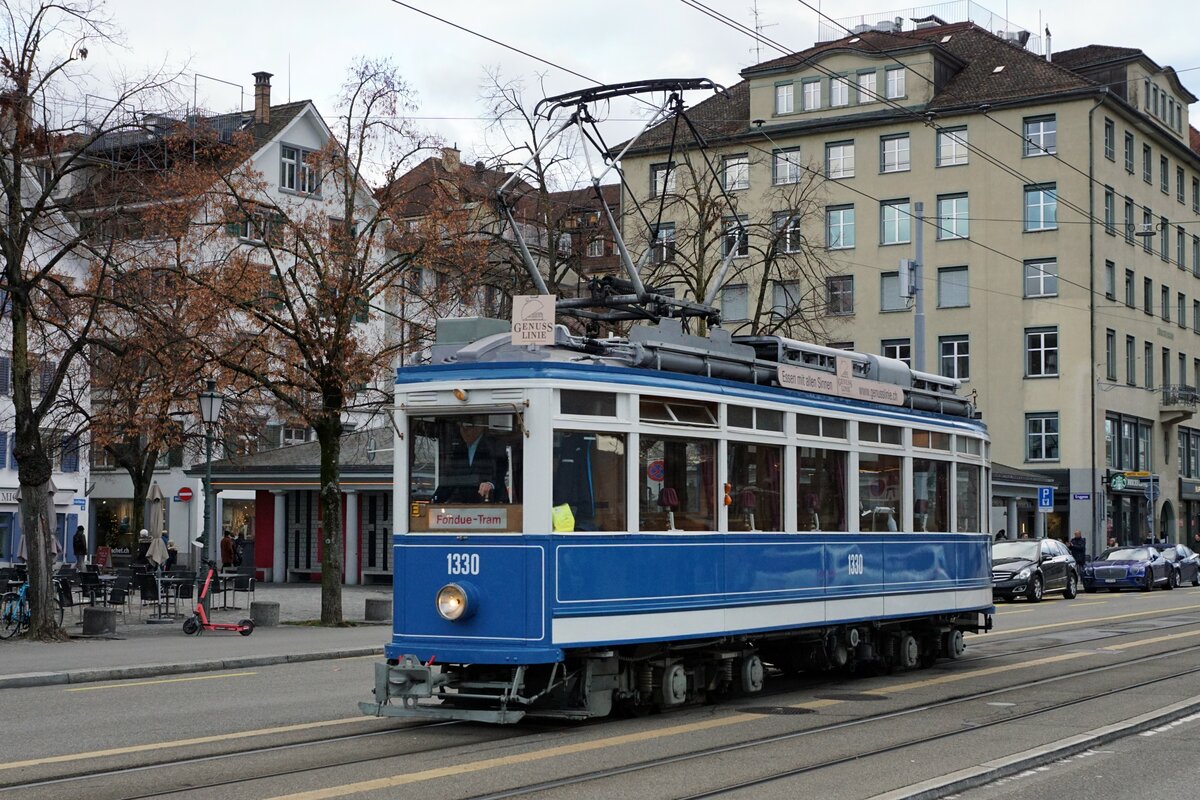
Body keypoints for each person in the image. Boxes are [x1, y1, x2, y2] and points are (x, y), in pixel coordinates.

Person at [431, 417, 509, 504]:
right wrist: (434, 501)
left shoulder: (494, 444)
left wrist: (490, 484)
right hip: (465, 507)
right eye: (461, 427)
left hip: (492, 503)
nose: (464, 431)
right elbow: (450, 479)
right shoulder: (458, 449)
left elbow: (501, 471)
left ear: (479, 427)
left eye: (467, 427)